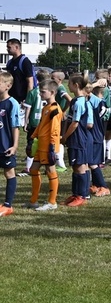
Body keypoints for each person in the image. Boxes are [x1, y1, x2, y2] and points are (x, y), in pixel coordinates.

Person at [27, 80, 62, 211]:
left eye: (43, 92)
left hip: (48, 147)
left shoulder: (54, 109)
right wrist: (32, 138)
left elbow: (55, 130)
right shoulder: (45, 108)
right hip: (41, 145)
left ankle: (52, 202)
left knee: (50, 171)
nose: (40, 94)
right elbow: (41, 125)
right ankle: (33, 200)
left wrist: (52, 147)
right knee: (33, 170)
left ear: (52, 92)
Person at [62, 75, 93, 208]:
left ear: (76, 85)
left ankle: (81, 195)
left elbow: (75, 123)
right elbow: (88, 123)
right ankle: (77, 194)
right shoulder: (78, 100)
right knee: (77, 166)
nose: (68, 86)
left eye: (69, 84)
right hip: (79, 137)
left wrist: (65, 137)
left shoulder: (80, 102)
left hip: (78, 138)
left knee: (80, 166)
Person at [0, 72, 21, 216]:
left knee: (9, 172)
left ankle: (8, 204)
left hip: (5, 145)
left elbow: (15, 127)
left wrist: (14, 146)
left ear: (8, 85)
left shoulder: (12, 103)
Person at [5, 39, 35, 109]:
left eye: (9, 47)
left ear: (16, 47)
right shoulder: (9, 63)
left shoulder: (25, 61)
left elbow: (30, 82)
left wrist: (27, 100)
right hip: (11, 97)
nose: (7, 49)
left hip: (21, 99)